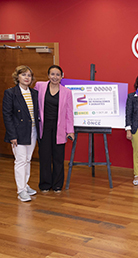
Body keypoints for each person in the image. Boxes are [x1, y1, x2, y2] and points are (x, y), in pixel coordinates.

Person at [3, 65, 39, 202]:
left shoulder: (34, 93)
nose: (27, 78)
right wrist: (12, 135)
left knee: (27, 160)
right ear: (17, 77)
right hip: (18, 133)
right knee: (20, 161)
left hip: (32, 131)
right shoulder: (11, 93)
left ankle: (25, 184)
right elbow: (7, 115)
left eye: (29, 75)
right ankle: (21, 191)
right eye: (23, 75)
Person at [35, 65, 74, 193]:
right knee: (45, 157)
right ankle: (45, 184)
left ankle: (57, 185)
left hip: (60, 129)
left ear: (62, 76)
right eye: (52, 74)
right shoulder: (39, 86)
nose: (55, 77)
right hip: (44, 128)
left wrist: (70, 130)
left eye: (58, 74)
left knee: (58, 157)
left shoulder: (66, 92)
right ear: (48, 75)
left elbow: (69, 112)